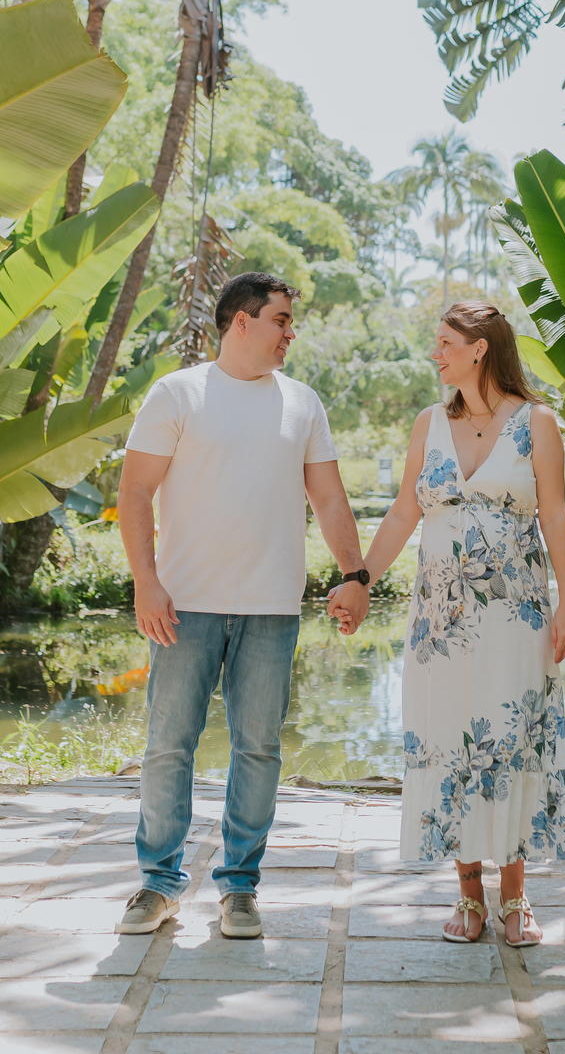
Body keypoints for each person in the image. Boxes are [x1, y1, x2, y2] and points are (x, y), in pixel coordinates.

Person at [114, 272, 371, 940]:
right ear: (241, 323)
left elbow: (330, 498)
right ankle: (159, 883)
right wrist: (146, 580)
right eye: (282, 320)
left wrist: (356, 574)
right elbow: (136, 490)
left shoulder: (302, 403)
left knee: (258, 749)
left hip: (270, 608)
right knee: (169, 745)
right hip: (184, 604)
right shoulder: (178, 393)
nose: (291, 333)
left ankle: (239, 888)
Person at [329, 300, 565, 947]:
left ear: (480, 347)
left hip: (514, 616)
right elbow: (402, 515)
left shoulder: (537, 424)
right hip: (439, 625)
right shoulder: (428, 425)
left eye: (445, 342)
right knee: (447, 743)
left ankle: (516, 897)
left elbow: (553, 517)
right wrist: (360, 580)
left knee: (510, 743)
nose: (435, 354)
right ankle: (468, 894)